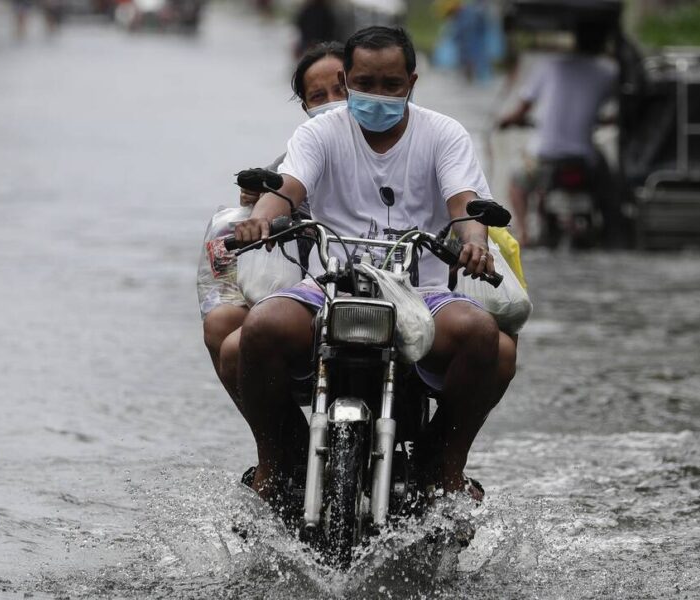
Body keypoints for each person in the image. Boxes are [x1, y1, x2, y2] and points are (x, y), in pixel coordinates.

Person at [232, 26, 517, 502]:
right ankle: (275, 458)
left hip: (421, 294)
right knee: (259, 328)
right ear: (347, 79)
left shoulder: (444, 134)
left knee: (481, 335)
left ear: (412, 81)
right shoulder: (319, 131)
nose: (377, 96)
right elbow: (286, 189)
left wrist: (474, 243)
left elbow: (466, 207)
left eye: (391, 85)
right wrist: (260, 221)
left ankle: (444, 464)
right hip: (329, 284)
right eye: (364, 84)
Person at [201, 42, 347, 407]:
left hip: (391, 282)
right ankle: (283, 449)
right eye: (319, 96)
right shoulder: (302, 150)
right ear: (306, 107)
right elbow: (281, 191)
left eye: (342, 90)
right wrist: (258, 213)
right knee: (223, 325)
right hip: (314, 285)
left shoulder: (416, 139)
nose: (332, 102)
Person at [496, 23, 617, 246]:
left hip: (545, 158)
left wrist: (506, 121)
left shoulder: (549, 66)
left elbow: (521, 110)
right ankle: (612, 233)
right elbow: (617, 107)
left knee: (515, 183)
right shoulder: (608, 71)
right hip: (584, 161)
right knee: (611, 190)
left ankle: (523, 234)